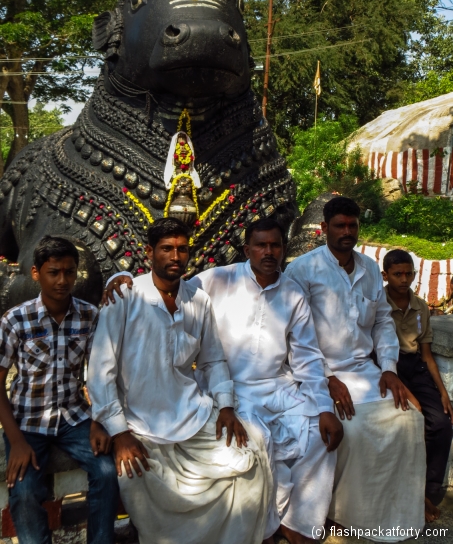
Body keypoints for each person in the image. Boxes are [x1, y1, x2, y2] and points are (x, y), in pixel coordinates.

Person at [103, 218, 344, 544]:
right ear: (247, 250)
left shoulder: (290, 294)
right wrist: (120, 276)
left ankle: (295, 524)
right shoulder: (215, 280)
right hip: (209, 395)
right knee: (251, 445)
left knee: (312, 437)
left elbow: (306, 358)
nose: (268, 252)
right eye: (261, 245)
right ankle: (257, 526)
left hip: (271, 388)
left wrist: (323, 405)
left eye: (275, 245)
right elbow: (103, 365)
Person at [88, 218, 271, 544]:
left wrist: (226, 407)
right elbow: (101, 370)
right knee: (137, 481)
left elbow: (213, 359)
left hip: (191, 413)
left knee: (249, 456)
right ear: (150, 253)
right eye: (167, 249)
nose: (175, 256)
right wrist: (118, 432)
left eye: (182, 249)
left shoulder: (198, 301)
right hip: (140, 423)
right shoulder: (125, 297)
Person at [285, 196, 426, 540]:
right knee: (357, 429)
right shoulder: (302, 270)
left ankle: (398, 509)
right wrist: (327, 378)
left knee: (410, 419)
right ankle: (343, 514)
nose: (347, 232)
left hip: (366, 371)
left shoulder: (367, 269)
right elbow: (294, 334)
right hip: (318, 374)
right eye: (340, 226)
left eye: (353, 225)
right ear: (325, 229)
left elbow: (381, 322)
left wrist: (389, 369)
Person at [0, 235, 118, 544]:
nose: (63, 280)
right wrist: (16, 440)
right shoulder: (16, 320)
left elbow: (100, 374)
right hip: (27, 420)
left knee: (107, 472)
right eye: (54, 272)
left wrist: (98, 421)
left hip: (74, 416)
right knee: (23, 490)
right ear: (36, 273)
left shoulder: (89, 316)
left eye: (69, 271)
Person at [382, 249, 453, 521]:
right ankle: (404, 491)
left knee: (442, 422)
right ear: (385, 275)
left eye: (408, 273)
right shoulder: (379, 304)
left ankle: (430, 489)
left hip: (416, 366)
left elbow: (426, 355)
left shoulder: (421, 306)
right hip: (388, 366)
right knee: (410, 419)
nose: (404, 279)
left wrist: (444, 394)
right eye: (397, 274)